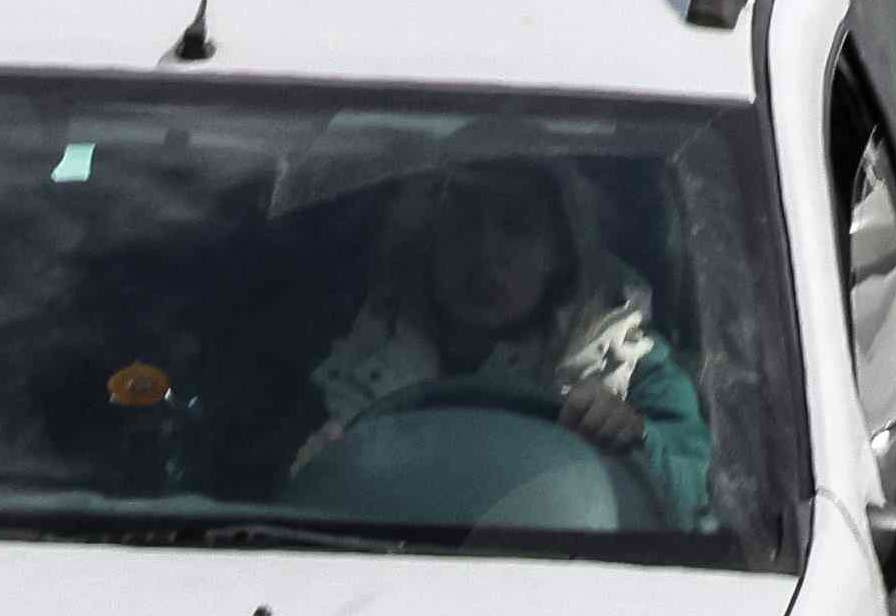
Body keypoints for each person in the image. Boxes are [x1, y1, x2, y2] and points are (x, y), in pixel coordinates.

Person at [302, 161, 715, 529]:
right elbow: (283, 505)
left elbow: (700, 495)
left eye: (517, 227)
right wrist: (319, 466)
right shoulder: (351, 351)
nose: (485, 254)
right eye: (463, 223)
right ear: (431, 239)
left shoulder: (627, 360)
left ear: (559, 249)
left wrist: (637, 440)